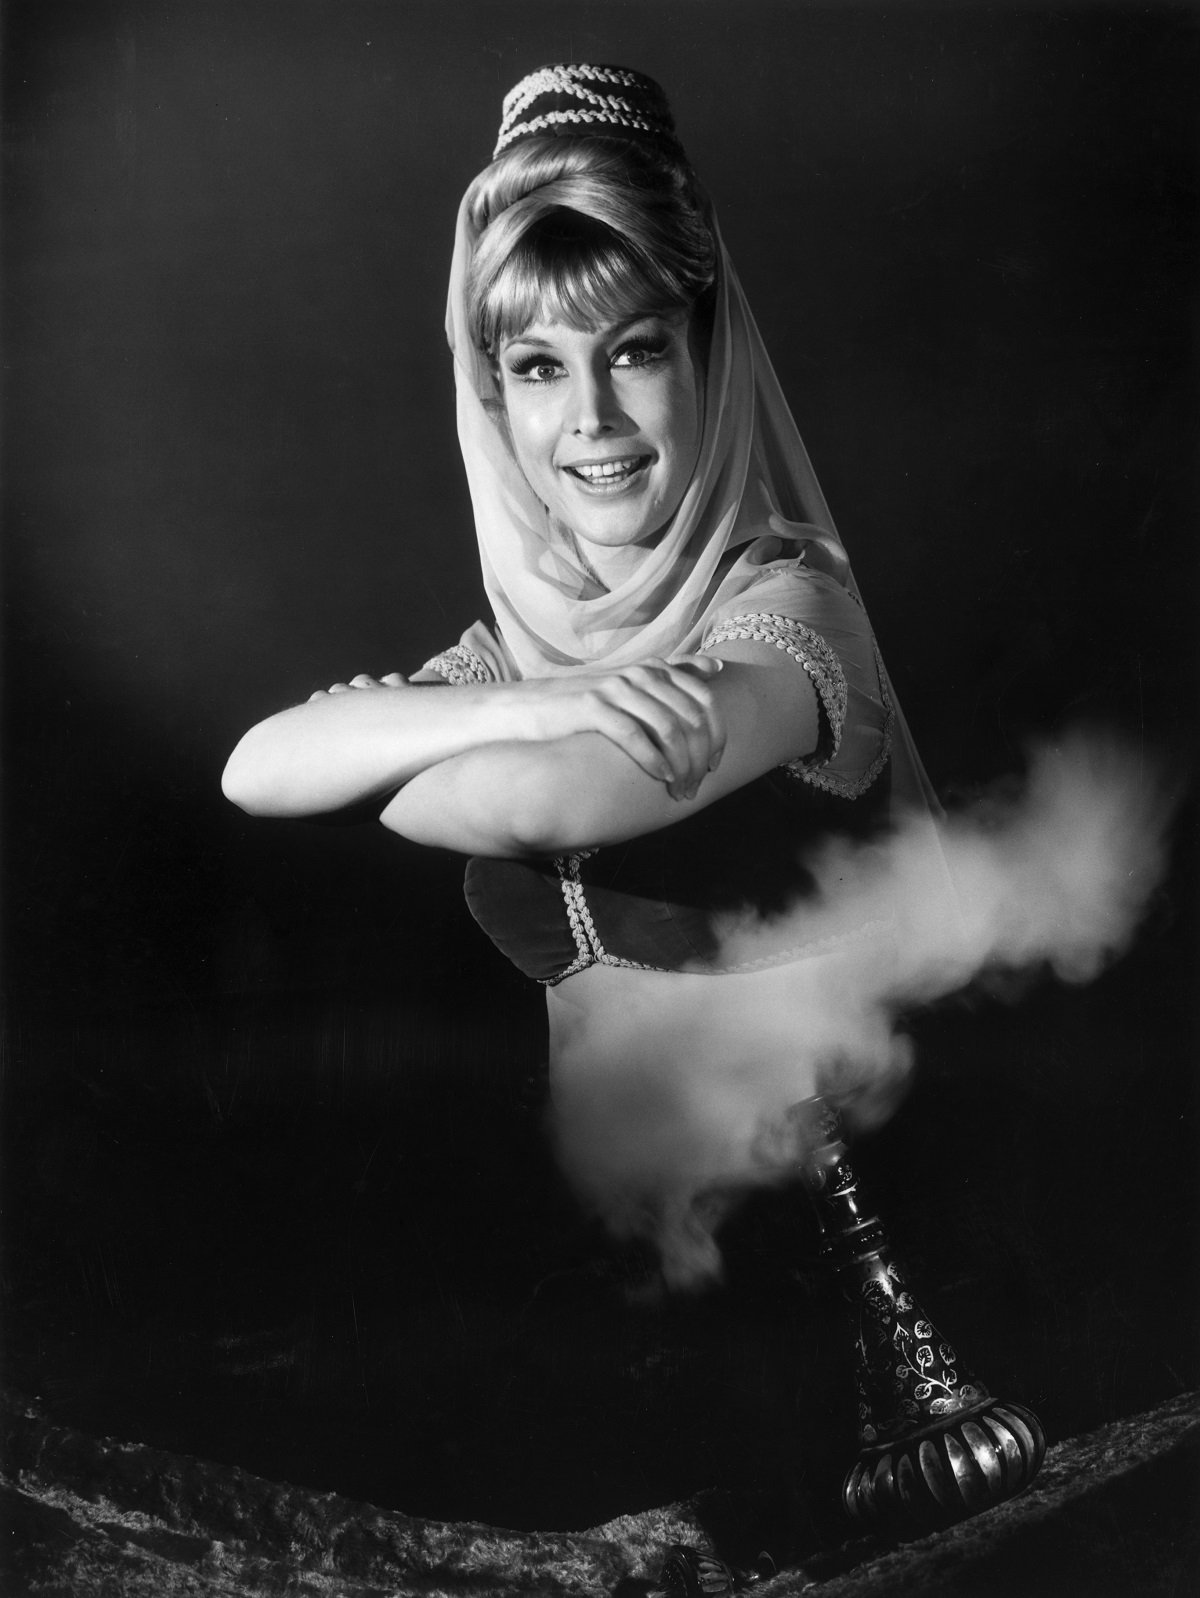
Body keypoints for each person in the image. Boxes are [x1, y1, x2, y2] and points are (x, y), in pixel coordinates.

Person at [223, 64, 937, 1281]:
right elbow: (258, 766)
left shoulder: (792, 603)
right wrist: (545, 699)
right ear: (494, 396)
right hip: (625, 1255)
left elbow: (546, 803)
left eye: (636, 349)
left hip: (831, 1257)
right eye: (540, 367)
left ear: (706, 354)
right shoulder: (530, 647)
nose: (592, 416)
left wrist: (398, 742)